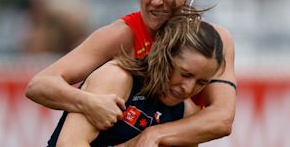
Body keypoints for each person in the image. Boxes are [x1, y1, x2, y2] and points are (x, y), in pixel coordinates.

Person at [26, 0, 236, 146]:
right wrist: (88, 102)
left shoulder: (212, 45)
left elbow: (222, 120)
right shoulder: (121, 45)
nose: (156, 0)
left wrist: (153, 136)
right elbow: (40, 85)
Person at [47, 10, 224, 147]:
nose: (188, 88)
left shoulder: (186, 113)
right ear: (165, 55)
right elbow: (69, 143)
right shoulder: (116, 78)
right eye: (185, 74)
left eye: (201, 82)